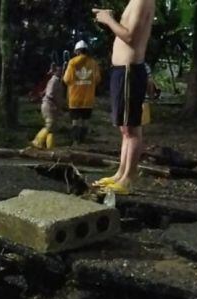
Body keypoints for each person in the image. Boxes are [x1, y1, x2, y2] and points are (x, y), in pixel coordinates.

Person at [92, 0, 156, 195]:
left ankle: (128, 177)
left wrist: (108, 19)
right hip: (122, 70)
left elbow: (130, 36)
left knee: (131, 127)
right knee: (125, 128)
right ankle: (120, 173)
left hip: (130, 70)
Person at [64, 40, 101, 143]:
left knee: (75, 121)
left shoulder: (72, 62)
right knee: (85, 121)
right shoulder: (93, 63)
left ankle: (76, 141)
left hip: (74, 98)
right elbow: (97, 79)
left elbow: (66, 79)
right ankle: (83, 141)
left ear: (77, 51)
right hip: (88, 99)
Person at [31, 63, 65, 149]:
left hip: (53, 106)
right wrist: (56, 104)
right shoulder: (54, 81)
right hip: (49, 106)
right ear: (55, 72)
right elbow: (50, 94)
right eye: (58, 71)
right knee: (49, 125)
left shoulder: (57, 81)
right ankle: (37, 141)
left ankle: (50, 145)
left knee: (53, 127)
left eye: (61, 71)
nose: (60, 72)